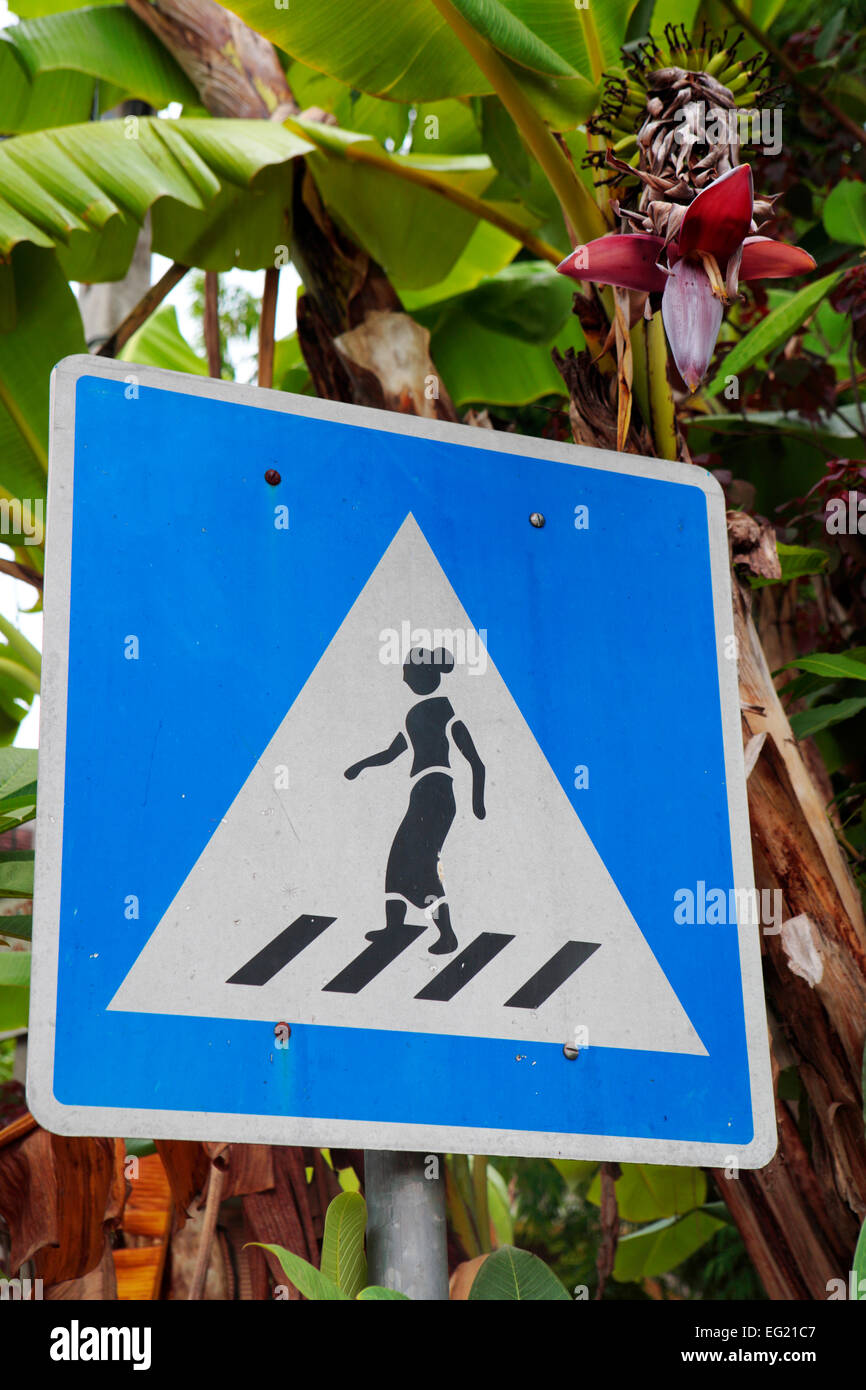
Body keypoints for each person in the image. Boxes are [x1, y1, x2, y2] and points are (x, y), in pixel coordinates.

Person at [344, 647, 486, 955]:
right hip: (420, 795)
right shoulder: (413, 716)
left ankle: (447, 934)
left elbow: (476, 761)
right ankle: (394, 928)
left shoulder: (445, 711)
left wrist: (478, 803)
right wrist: (360, 766)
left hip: (437, 795)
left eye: (408, 674)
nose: (405, 679)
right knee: (397, 862)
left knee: (423, 867)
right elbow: (391, 753)